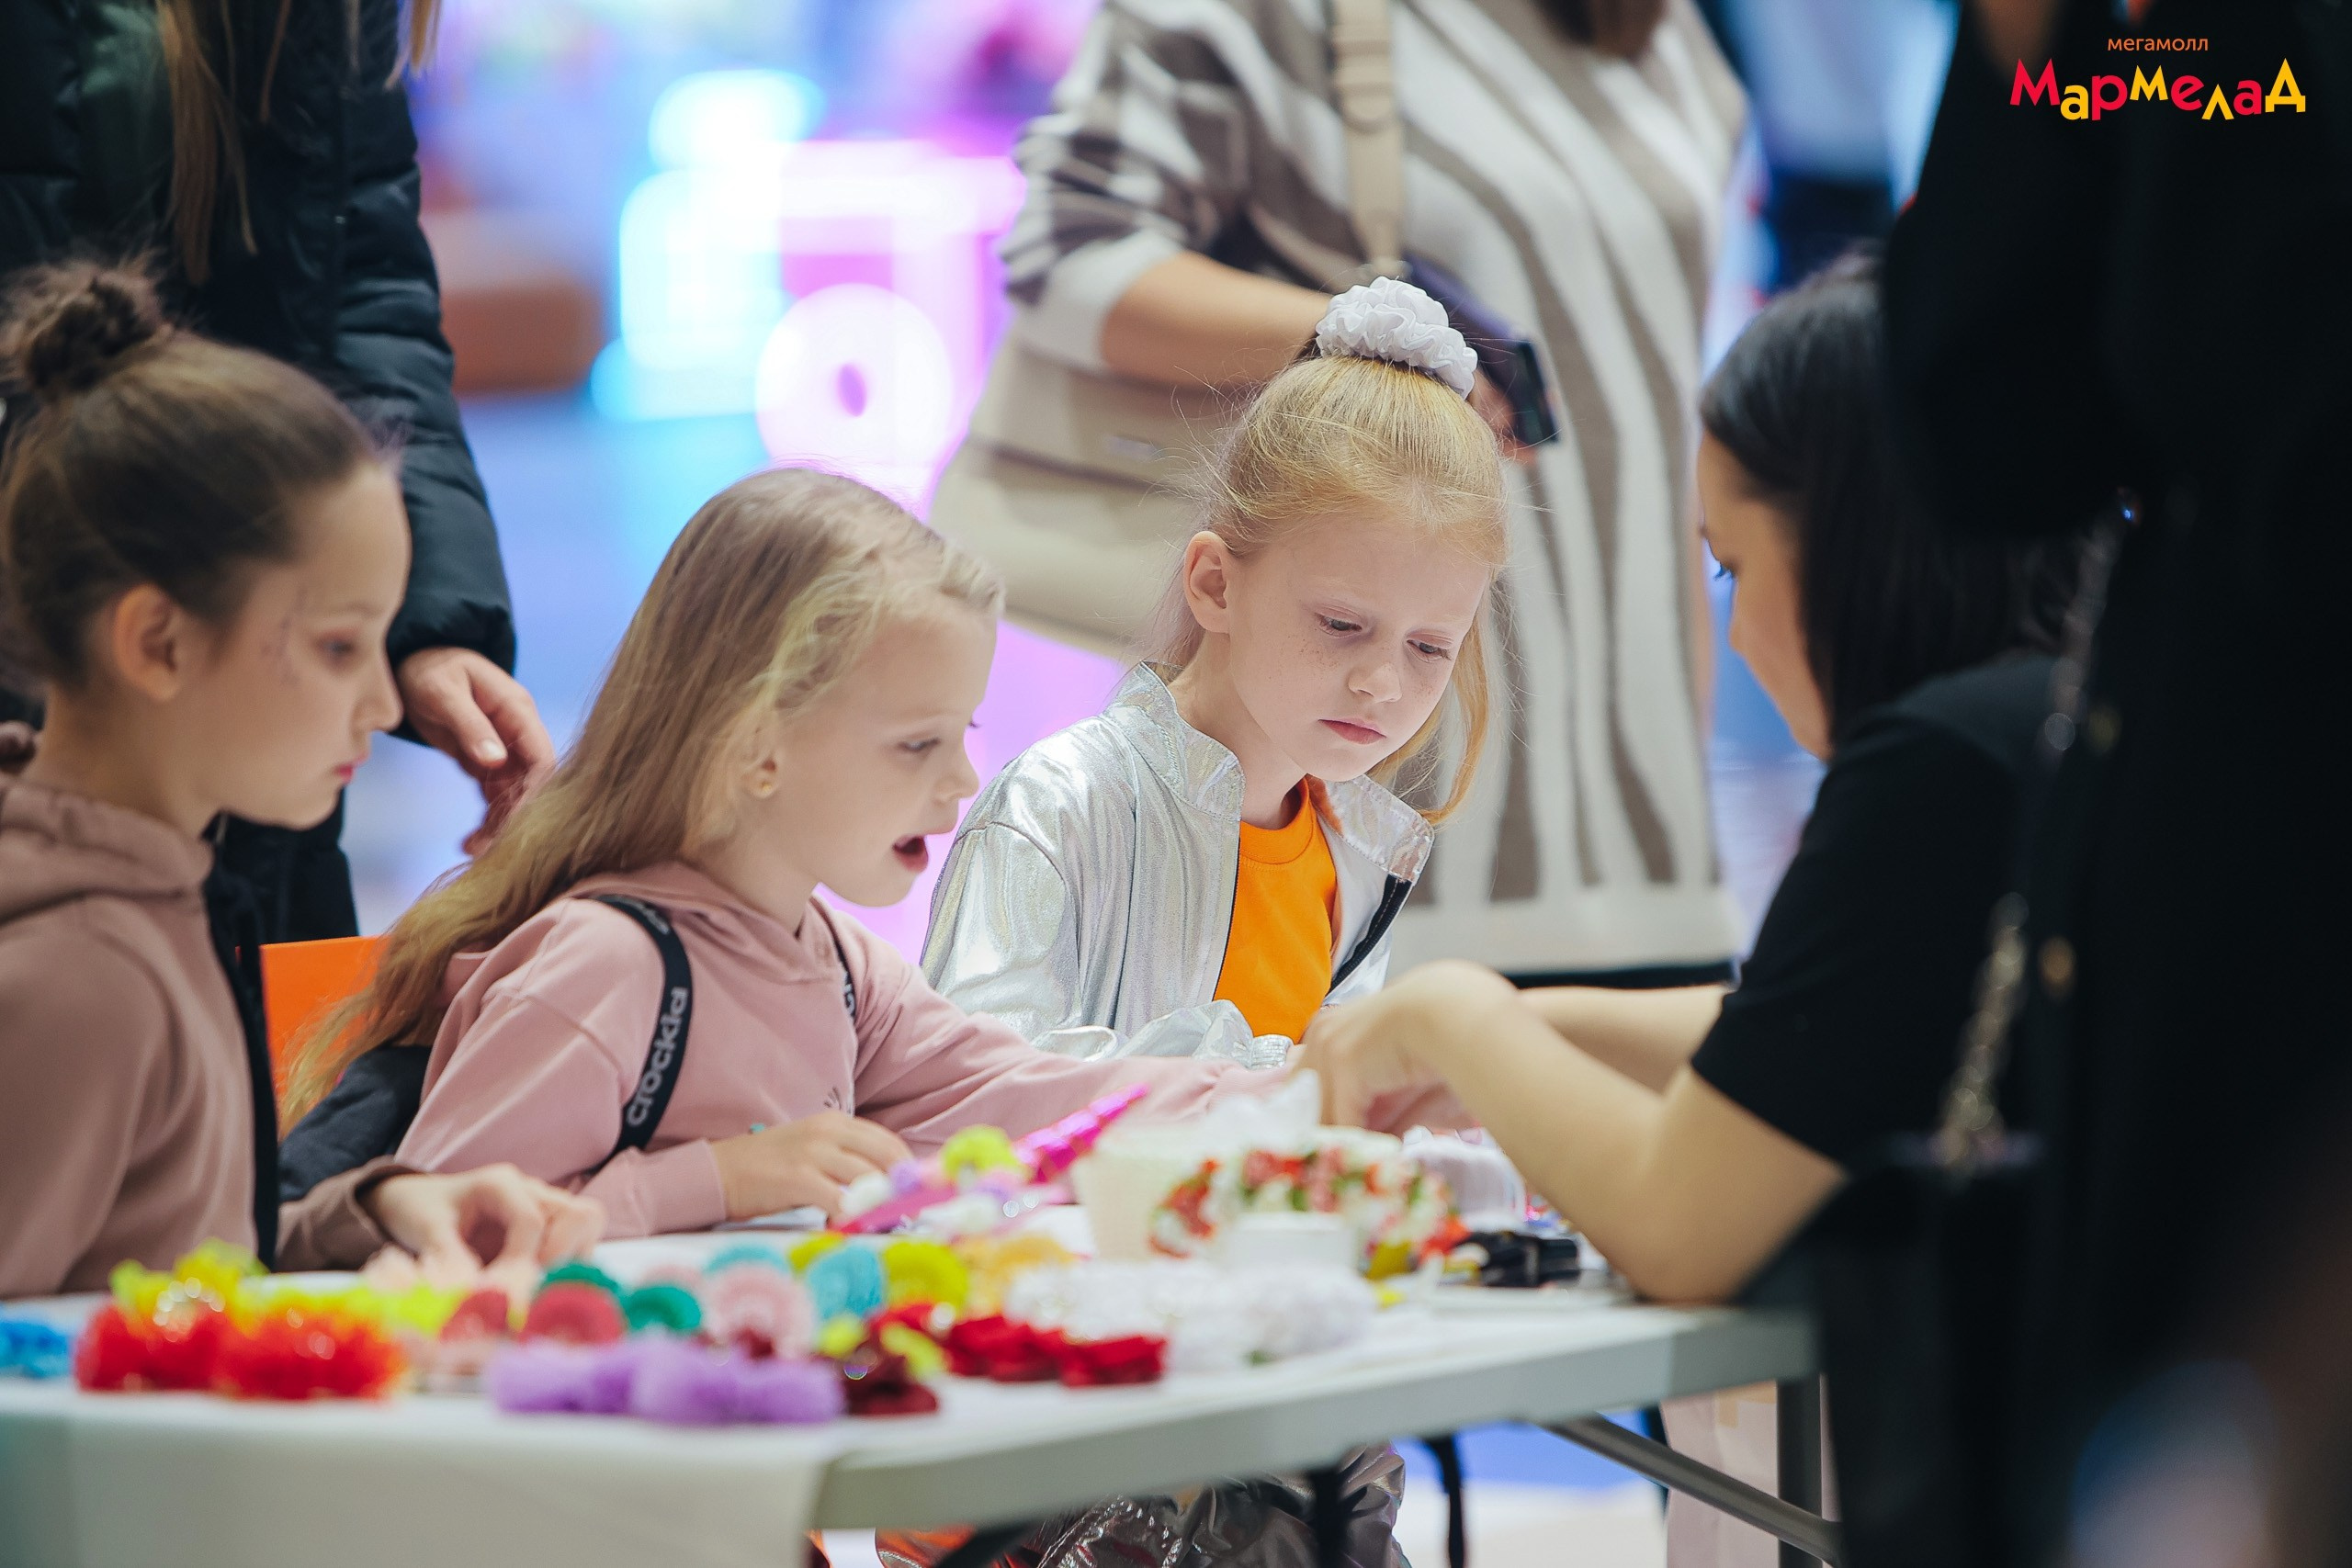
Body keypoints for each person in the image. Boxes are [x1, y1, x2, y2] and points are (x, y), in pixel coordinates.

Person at [1292, 259, 2075, 1530]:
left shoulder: (1941, 764)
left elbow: (1681, 1220)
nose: (1743, 635)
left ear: (1854, 539)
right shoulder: (2065, 713)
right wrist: (1519, 1024)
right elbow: (1809, 1037)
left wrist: (1452, 1014)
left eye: (1732, 571)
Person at [280, 469, 1272, 1239]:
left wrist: (1306, 1095)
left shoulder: (836, 965)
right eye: (917, 743)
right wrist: (715, 1179)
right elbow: (447, 1237)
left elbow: (1031, 1097)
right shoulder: (602, 971)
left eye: (962, 734)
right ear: (758, 748)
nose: (962, 782)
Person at [999, 0, 1749, 986]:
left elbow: (1652, 414)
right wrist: (1375, 338)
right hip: (1383, 822)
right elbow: (1064, 249)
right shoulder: (1264, 18)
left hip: (1645, 809)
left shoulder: (1668, 37)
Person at [1879, 0, 2352, 1557]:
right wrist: (2043, 52)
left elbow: (2237, 355)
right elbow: (1994, 418)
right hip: (2186, 872)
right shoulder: (2207, 43)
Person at [0, 264, 599, 1299]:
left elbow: (161, 1256)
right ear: (158, 641)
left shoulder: (152, 898)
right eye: (337, 647)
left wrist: (370, 1209)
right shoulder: (79, 976)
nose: (380, 701)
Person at [0, 0, 554, 943]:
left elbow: (361, 294)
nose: (375, 711)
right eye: (348, 652)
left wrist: (427, 624)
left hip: (226, 701)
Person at [923, 279, 1501, 1064]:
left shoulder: (1365, 857)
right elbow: (968, 1093)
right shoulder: (1057, 806)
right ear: (1214, 583)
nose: (1382, 683)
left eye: (1431, 647)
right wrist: (1278, 1080)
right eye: (1340, 624)